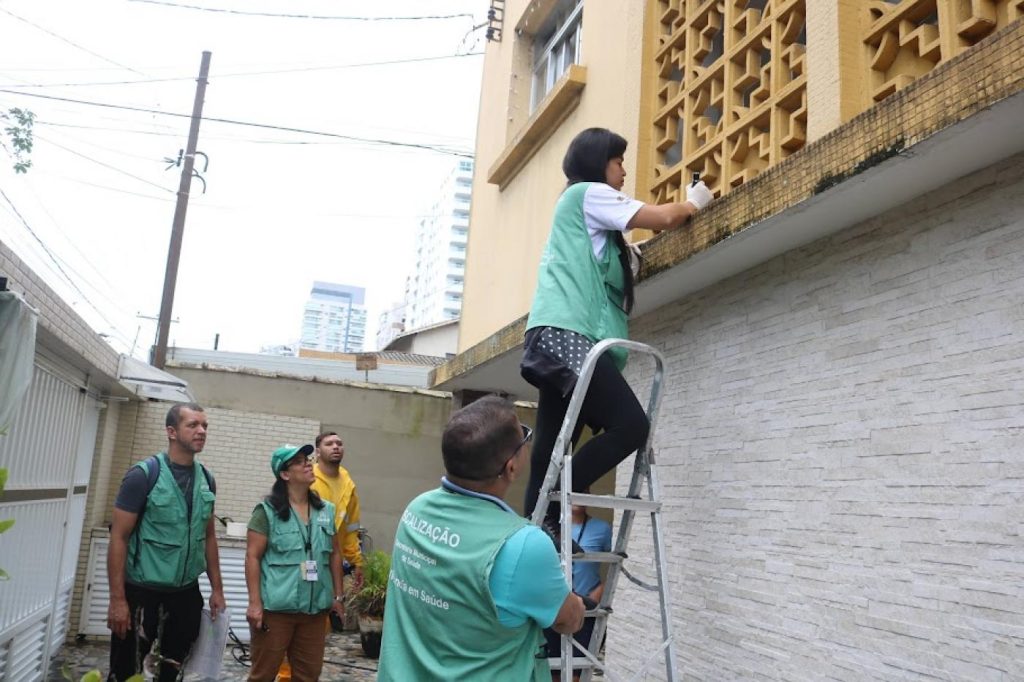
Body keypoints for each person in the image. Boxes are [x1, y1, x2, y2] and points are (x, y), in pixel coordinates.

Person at [521, 127, 715, 524]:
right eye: (618, 161)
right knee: (630, 425)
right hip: (567, 334)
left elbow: (615, 267)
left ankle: (538, 527)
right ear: (598, 162)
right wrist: (694, 202)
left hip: (555, 334)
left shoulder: (599, 234)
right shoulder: (585, 194)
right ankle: (555, 497)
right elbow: (664, 217)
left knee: (553, 443)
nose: (624, 170)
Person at [377, 395, 585, 681]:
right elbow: (569, 620)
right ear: (511, 467)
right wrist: (575, 603)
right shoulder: (523, 544)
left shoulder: (417, 511)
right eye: (524, 437)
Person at [106, 402, 226, 682]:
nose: (201, 431)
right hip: (141, 592)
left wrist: (217, 589)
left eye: (204, 426)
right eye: (193, 425)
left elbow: (208, 536)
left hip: (185, 594)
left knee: (173, 670)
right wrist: (117, 600)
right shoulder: (143, 476)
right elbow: (118, 538)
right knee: (126, 671)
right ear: (171, 432)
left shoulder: (207, 480)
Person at [244, 444, 345, 682]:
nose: (308, 463)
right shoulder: (266, 512)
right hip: (276, 611)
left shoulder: (326, 511)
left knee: (308, 676)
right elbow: (252, 557)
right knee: (262, 676)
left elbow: (335, 555)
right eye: (299, 461)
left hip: (314, 613)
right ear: (285, 474)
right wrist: (255, 604)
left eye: (307, 458)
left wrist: (338, 597)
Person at [275, 431, 364, 682]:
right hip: (298, 563)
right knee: (291, 624)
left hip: (326, 564)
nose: (336, 447)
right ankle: (284, 675)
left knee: (315, 631)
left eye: (339, 443)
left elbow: (349, 528)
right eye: (329, 443)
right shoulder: (307, 478)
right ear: (318, 450)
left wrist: (356, 561)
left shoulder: (348, 483)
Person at [544, 502, 613, 680]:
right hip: (556, 609)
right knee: (553, 672)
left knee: (578, 674)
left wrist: (598, 593)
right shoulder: (550, 529)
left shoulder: (601, 528)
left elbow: (618, 564)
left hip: (587, 610)